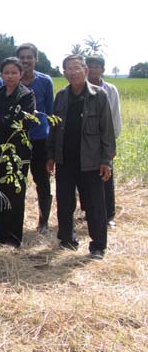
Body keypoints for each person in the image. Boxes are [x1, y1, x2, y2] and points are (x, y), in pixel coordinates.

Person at [47, 55, 115, 260]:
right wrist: (50, 156)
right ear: (64, 72)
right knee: (65, 202)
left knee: (95, 204)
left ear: (85, 70)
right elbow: (54, 128)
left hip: (91, 161)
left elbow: (107, 131)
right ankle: (67, 240)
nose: (74, 72)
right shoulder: (61, 96)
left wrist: (106, 160)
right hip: (65, 160)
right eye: (70, 69)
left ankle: (98, 246)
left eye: (78, 68)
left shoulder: (99, 95)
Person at [0, 57, 36, 247]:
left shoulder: (27, 95)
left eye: (14, 73)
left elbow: (20, 122)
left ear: (21, 74)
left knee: (14, 194)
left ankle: (13, 237)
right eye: (6, 72)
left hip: (16, 152)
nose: (10, 76)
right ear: (1, 74)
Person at [16, 43, 55, 233]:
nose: (25, 61)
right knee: (17, 182)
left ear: (36, 59)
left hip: (40, 139)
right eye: (22, 57)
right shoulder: (10, 80)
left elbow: (51, 112)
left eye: (29, 57)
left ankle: (43, 221)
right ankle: (16, 222)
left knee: (42, 182)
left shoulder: (45, 81)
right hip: (18, 139)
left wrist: (52, 146)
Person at [86, 55, 122, 226]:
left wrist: (110, 141)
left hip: (104, 141)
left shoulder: (110, 89)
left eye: (96, 67)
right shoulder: (80, 88)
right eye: (90, 66)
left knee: (106, 176)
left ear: (103, 70)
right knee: (87, 179)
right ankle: (88, 212)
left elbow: (114, 115)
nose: (93, 70)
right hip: (86, 142)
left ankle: (108, 215)